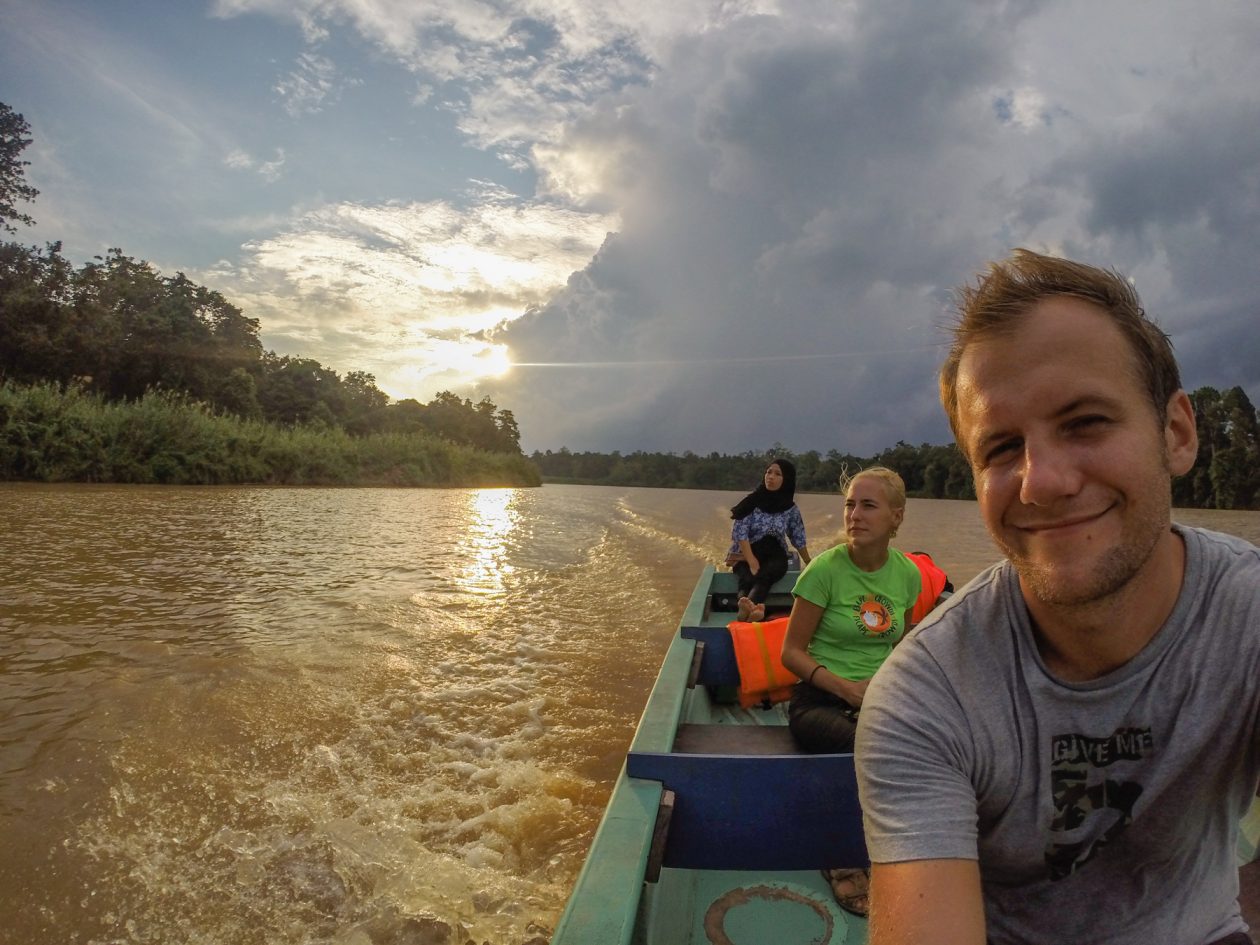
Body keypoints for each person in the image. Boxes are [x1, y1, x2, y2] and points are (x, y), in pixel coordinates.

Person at [855, 249, 1260, 945]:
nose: (1042, 481)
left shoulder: (1247, 618)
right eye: (1003, 448)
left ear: (1177, 433)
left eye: (1085, 422)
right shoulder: (925, 700)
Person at [779, 465, 923, 916]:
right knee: (869, 744)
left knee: (938, 743)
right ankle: (843, 856)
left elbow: (905, 648)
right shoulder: (825, 570)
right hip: (818, 700)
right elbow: (791, 653)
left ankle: (917, 846)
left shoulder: (907, 575)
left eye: (868, 505)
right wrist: (846, 689)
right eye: (849, 504)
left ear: (896, 517)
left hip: (878, 701)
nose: (854, 515)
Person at [727, 459, 811, 621]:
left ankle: (747, 608)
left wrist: (809, 561)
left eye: (777, 474)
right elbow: (741, 533)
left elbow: (797, 536)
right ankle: (748, 608)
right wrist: (751, 560)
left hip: (774, 554)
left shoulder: (790, 509)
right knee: (748, 577)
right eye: (768, 472)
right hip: (747, 551)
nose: (770, 477)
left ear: (786, 480)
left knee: (766, 575)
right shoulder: (751, 502)